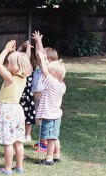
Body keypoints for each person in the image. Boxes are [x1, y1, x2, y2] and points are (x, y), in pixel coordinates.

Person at [0, 40, 32, 175]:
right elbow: (24, 63)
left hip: (7, 111)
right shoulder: (23, 77)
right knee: (18, 141)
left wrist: (5, 49)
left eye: (9, 62)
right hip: (18, 110)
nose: (7, 64)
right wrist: (14, 52)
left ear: (16, 66)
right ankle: (19, 167)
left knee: (8, 142)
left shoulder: (10, 78)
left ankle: (8, 169)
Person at [32, 31, 66, 166]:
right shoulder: (61, 84)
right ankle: (56, 155)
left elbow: (46, 71)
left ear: (55, 74)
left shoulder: (52, 82)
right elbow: (47, 68)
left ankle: (49, 158)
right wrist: (40, 49)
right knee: (55, 136)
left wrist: (41, 54)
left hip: (50, 116)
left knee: (51, 138)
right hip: (55, 115)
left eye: (50, 72)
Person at [32, 46, 59, 152]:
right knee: (41, 121)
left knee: (45, 122)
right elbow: (39, 54)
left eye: (43, 58)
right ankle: (43, 141)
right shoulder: (43, 69)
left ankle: (44, 143)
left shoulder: (49, 73)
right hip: (39, 98)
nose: (40, 60)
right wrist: (38, 42)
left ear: (50, 61)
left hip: (45, 102)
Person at [17, 40, 36, 142]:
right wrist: (20, 47)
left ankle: (27, 135)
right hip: (19, 97)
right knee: (19, 117)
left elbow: (26, 60)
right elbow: (15, 57)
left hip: (28, 97)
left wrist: (28, 47)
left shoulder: (28, 70)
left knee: (28, 117)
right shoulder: (18, 71)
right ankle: (20, 133)